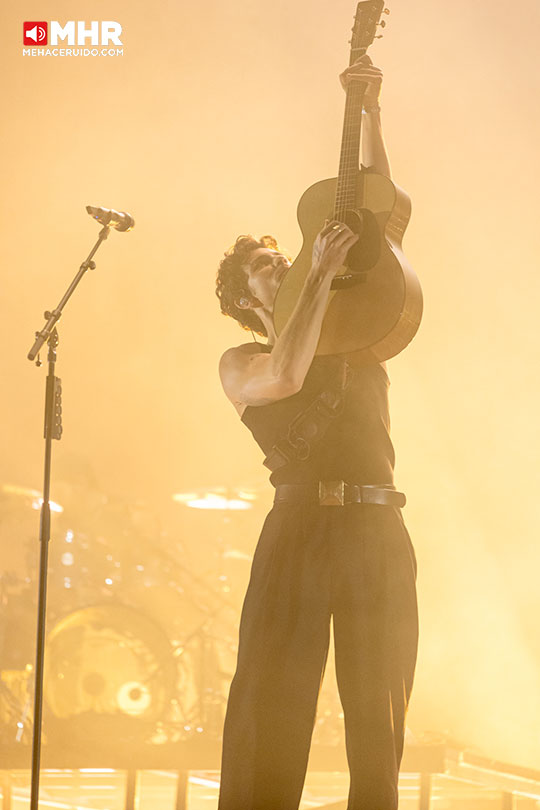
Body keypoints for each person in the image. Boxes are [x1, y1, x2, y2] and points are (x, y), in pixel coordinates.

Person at [214, 55, 419, 810]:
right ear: (244, 297)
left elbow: (382, 214)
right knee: (271, 703)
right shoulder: (242, 359)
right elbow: (287, 378)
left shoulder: (353, 327)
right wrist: (321, 279)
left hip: (375, 523)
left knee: (378, 714)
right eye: (268, 266)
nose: (286, 264)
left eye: (284, 255)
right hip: (298, 529)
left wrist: (368, 108)